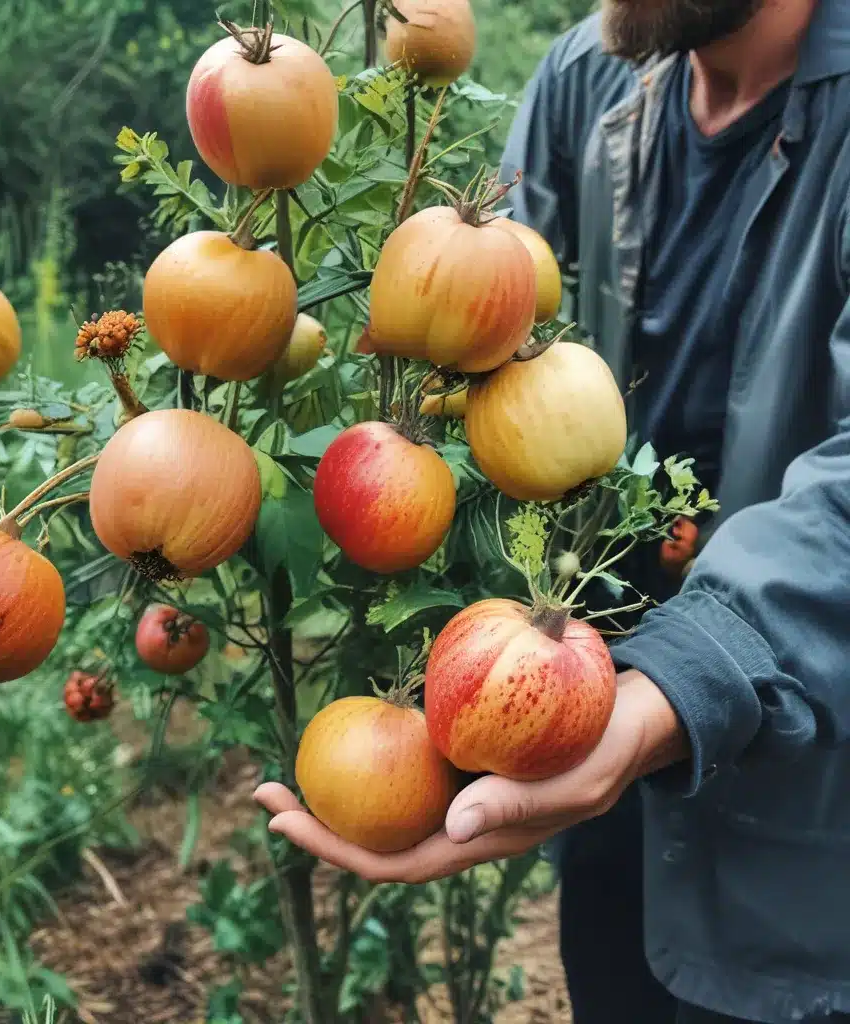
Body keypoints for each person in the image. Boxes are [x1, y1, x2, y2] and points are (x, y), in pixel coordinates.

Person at [256, 1, 850, 1021]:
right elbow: (490, 324)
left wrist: (678, 685)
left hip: (804, 808)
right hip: (584, 727)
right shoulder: (593, 76)